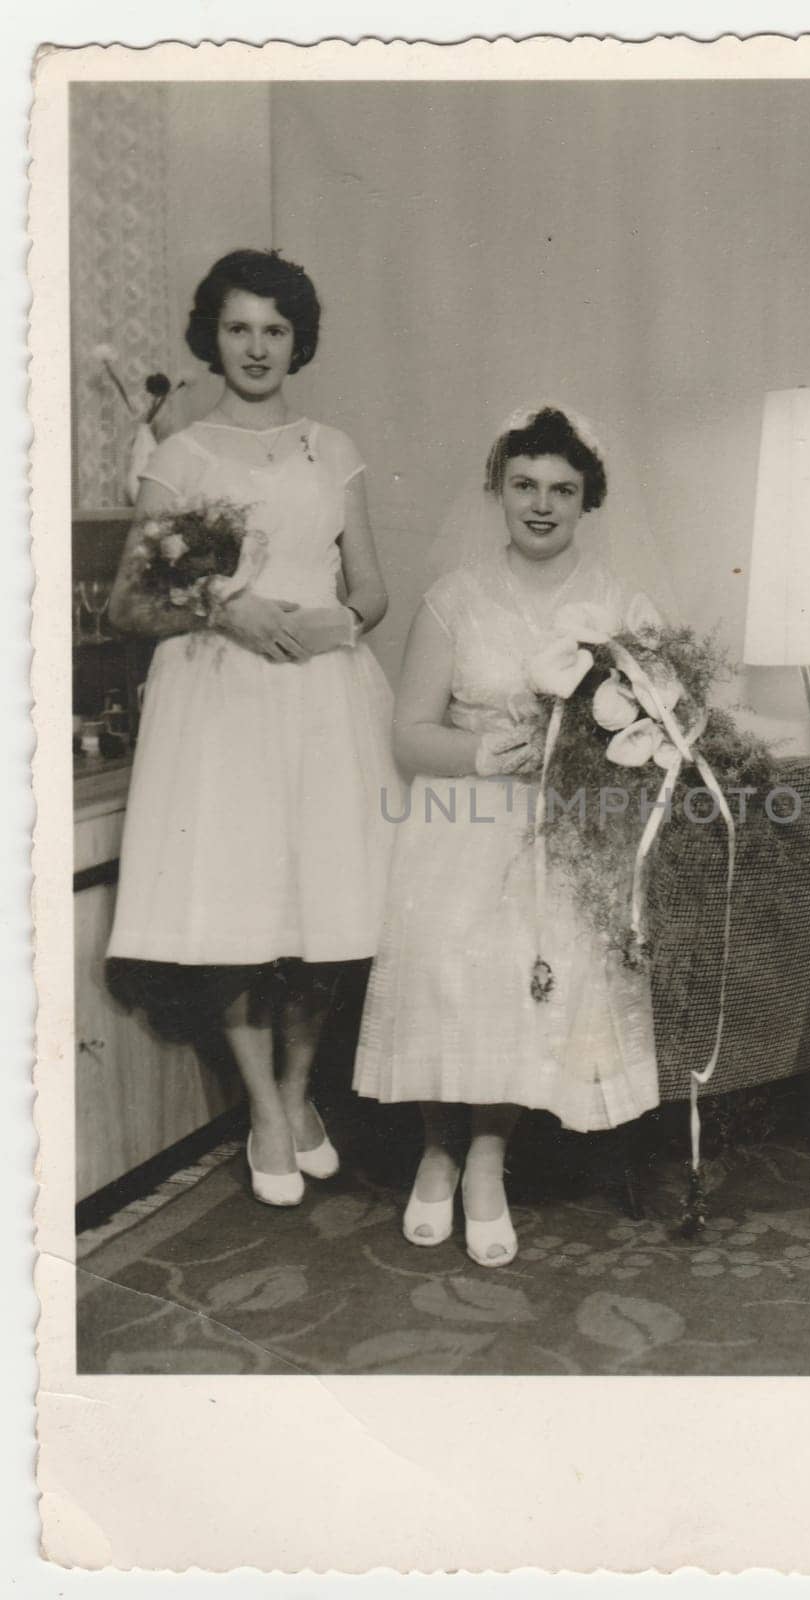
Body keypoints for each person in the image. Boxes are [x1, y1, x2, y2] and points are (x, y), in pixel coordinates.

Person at [106, 248, 394, 1207]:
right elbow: (128, 605)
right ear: (212, 337)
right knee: (234, 907)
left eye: (275, 329)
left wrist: (336, 623)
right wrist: (225, 612)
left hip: (319, 696)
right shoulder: (182, 455)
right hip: (220, 697)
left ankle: (301, 1089)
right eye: (239, 328)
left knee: (322, 909)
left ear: (298, 339)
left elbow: (374, 589)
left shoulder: (331, 447)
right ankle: (267, 1108)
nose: (257, 347)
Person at [353, 405, 661, 1268]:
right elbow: (409, 734)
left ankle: (485, 1156)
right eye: (524, 485)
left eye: (563, 489)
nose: (541, 504)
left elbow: (655, 728)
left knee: (534, 981)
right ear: (498, 490)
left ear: (586, 500)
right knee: (452, 970)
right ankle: (437, 1147)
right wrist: (486, 751)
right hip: (464, 817)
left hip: (564, 830)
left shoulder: (617, 606)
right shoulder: (454, 600)